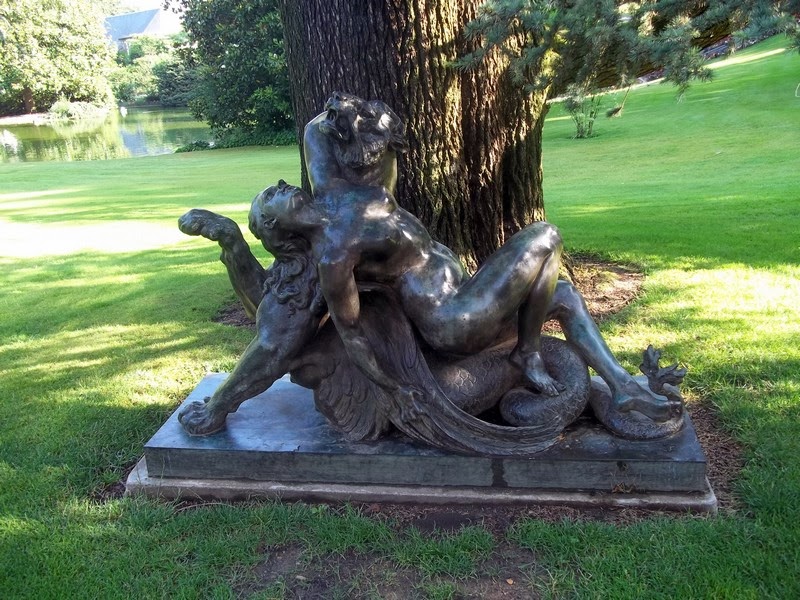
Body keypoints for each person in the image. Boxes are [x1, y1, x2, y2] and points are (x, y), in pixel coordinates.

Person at [247, 181, 680, 421]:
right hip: (454, 319)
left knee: (562, 294)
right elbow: (353, 332)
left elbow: (317, 136)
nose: (282, 185)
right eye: (271, 196)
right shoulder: (333, 257)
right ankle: (528, 354)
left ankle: (623, 389)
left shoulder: (339, 197)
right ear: (275, 226)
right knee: (545, 237)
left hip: (464, 291)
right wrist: (393, 389)